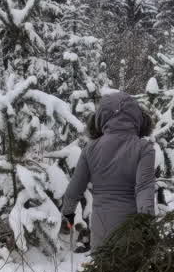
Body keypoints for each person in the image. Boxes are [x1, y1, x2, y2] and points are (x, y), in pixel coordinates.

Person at [60, 92, 157, 250]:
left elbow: (75, 188)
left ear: (100, 118)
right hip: (133, 231)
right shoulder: (143, 148)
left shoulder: (90, 149)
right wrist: (147, 224)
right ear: (138, 117)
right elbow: (144, 188)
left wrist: (68, 212)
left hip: (101, 229)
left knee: (104, 271)